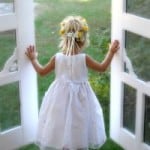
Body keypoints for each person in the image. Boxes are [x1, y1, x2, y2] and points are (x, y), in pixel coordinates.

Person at [25, 15, 119, 150]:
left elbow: (41, 72)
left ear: (64, 37)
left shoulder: (57, 58)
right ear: (83, 40)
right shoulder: (84, 58)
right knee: (79, 127)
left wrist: (33, 59)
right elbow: (102, 67)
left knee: (61, 126)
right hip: (81, 100)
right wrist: (111, 52)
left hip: (59, 100)